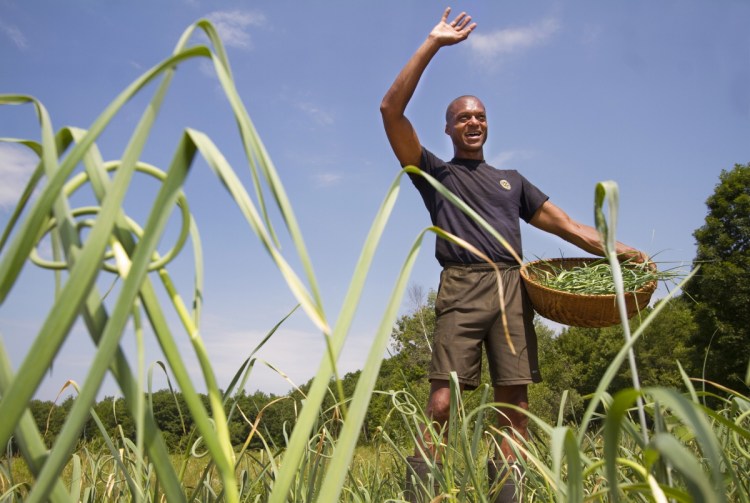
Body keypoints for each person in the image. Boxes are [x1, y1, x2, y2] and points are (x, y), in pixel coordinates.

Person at [380, 8, 646, 503]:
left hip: (511, 289)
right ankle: (420, 495)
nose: (473, 122)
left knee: (515, 404)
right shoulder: (436, 173)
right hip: (461, 288)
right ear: (449, 129)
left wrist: (623, 252)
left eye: (480, 116)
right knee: (443, 402)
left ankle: (508, 494)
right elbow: (390, 111)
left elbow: (568, 227)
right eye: (463, 117)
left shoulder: (513, 181)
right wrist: (432, 44)